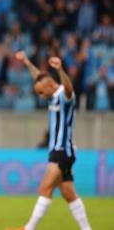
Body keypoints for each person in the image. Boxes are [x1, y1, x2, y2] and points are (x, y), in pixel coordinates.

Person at [7, 51, 92, 230]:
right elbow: (40, 77)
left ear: (51, 86)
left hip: (62, 151)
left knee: (45, 188)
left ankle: (28, 229)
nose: (40, 95)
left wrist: (61, 69)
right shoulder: (51, 94)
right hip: (58, 150)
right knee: (69, 194)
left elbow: (69, 88)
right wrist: (26, 61)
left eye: (41, 92)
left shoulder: (64, 95)